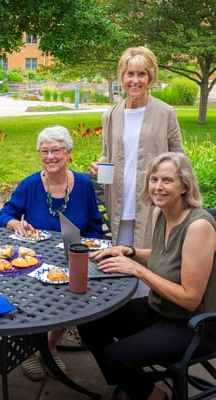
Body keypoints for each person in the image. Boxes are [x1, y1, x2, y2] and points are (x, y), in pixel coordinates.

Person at [78, 152, 216, 400]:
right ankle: (141, 386)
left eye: (167, 180)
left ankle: (152, 395)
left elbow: (190, 299)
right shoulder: (160, 213)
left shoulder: (198, 227)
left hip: (195, 324)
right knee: (89, 320)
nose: (158, 187)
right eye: (154, 179)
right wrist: (131, 252)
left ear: (185, 186)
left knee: (114, 357)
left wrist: (137, 269)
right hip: (161, 308)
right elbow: (167, 253)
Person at [0, 125, 103, 381]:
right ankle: (31, 349)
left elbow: (96, 227)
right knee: (20, 290)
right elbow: (5, 214)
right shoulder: (31, 184)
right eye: (44, 151)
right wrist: (15, 223)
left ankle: (50, 345)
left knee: (76, 291)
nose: (50, 157)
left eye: (56, 150)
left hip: (73, 257)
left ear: (68, 154)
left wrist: (89, 249)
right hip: (34, 259)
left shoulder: (84, 185)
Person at [90, 46, 185, 250]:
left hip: (154, 203)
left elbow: (180, 159)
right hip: (119, 202)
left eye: (141, 74)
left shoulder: (165, 113)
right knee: (121, 265)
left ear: (150, 78)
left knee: (150, 263)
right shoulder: (111, 115)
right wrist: (100, 166)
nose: (135, 80)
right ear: (122, 77)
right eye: (129, 74)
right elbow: (107, 154)